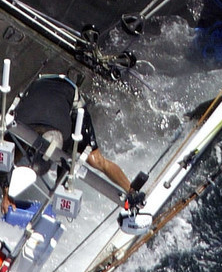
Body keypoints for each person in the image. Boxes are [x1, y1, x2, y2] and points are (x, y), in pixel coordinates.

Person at [10, 72, 135, 200]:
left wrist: (59, 190)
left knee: (94, 159)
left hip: (69, 95)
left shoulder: (64, 135)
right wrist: (6, 193)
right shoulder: (21, 125)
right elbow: (6, 157)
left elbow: (67, 162)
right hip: (39, 87)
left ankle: (132, 190)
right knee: (15, 151)